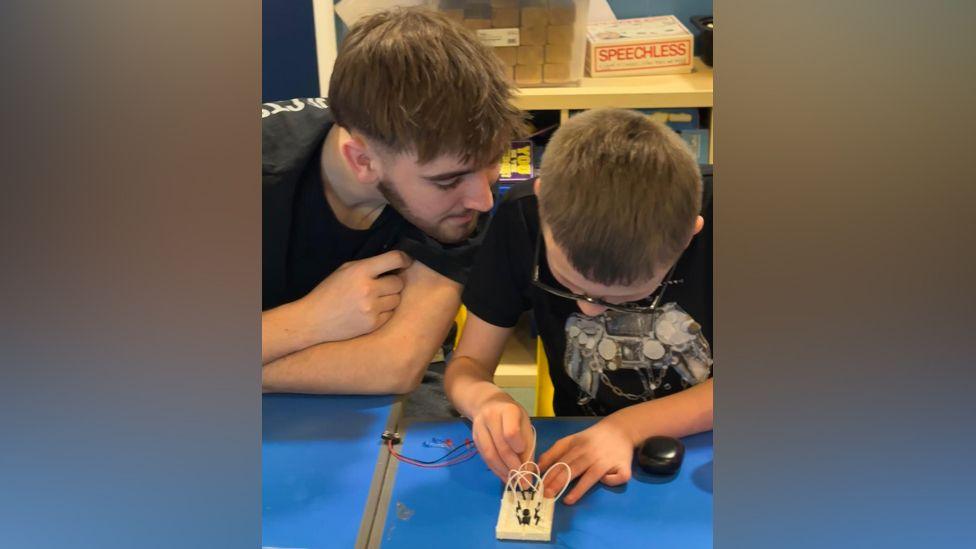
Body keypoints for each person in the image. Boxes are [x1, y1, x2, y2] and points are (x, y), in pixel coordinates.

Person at [445, 108, 713, 504]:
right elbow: (466, 366)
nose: (588, 313)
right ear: (542, 205)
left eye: (625, 299)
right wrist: (485, 399)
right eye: (571, 286)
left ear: (690, 235)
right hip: (582, 443)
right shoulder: (521, 222)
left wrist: (627, 427)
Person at [262, 8, 525, 394]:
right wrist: (309, 320)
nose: (483, 200)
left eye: (491, 164)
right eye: (448, 181)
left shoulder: (462, 195)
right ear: (363, 160)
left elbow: (393, 366)